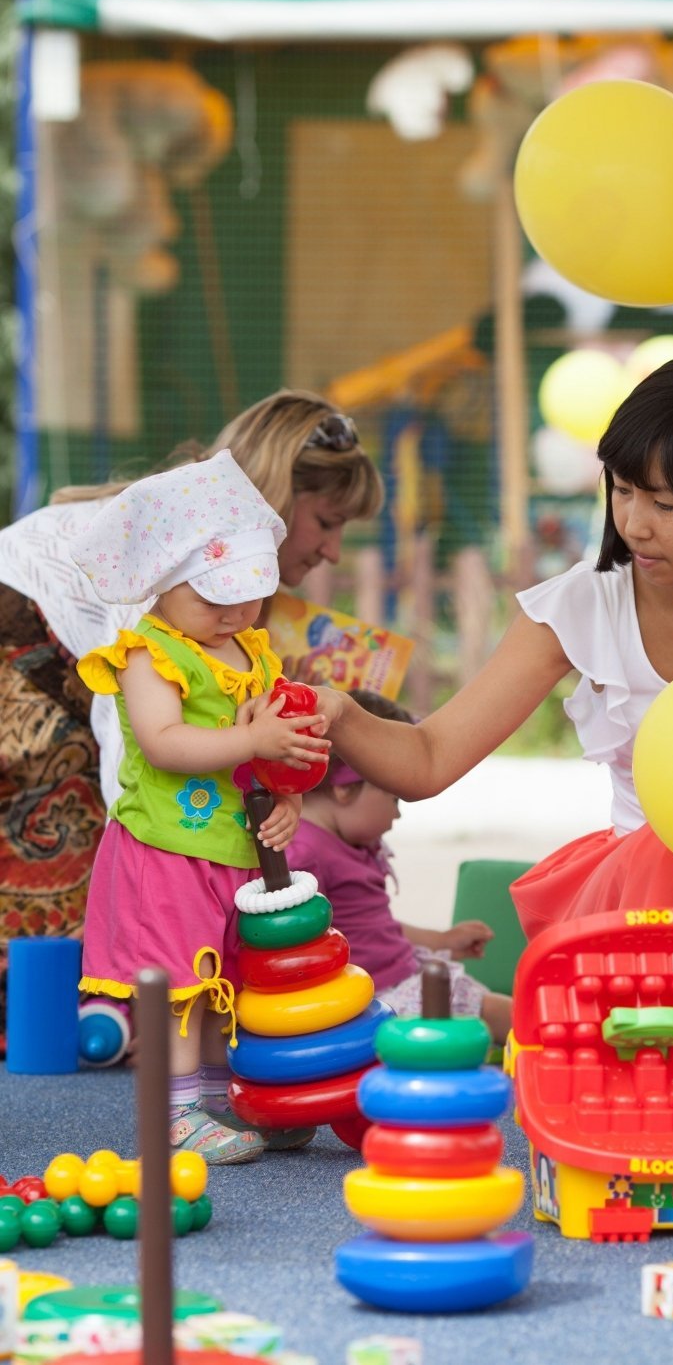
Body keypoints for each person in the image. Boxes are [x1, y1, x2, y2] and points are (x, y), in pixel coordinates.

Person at [305, 355, 673, 942]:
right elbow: (429, 757)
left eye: (666, 505)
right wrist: (340, 714)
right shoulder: (583, 605)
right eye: (623, 489)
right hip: (655, 907)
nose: (635, 524)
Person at [0, 389, 382, 1046]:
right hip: (23, 657)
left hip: (60, 672)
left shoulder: (221, 592)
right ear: (273, 501)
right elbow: (141, 745)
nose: (333, 551)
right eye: (326, 521)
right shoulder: (182, 563)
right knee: (100, 895)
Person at [71, 450, 327, 1164]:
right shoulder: (151, 654)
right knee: (182, 987)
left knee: (223, 982)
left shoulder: (251, 647)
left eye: (248, 594)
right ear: (164, 581)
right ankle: (178, 1113)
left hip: (234, 851)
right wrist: (251, 735)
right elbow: (163, 744)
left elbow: (275, 751)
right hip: (167, 852)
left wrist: (286, 797)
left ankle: (222, 1099)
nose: (237, 610)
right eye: (215, 596)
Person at [288, 690, 513, 1046]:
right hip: (376, 999)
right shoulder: (304, 851)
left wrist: (441, 940)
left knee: (491, 1012)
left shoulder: (350, 842)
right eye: (393, 797)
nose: (398, 813)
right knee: (498, 1013)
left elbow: (373, 927)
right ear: (345, 790)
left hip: (399, 977)